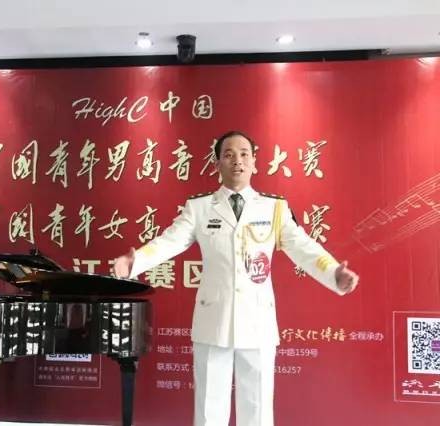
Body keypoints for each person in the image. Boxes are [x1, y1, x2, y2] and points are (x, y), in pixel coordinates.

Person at [113, 131, 359, 426]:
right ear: (217, 164)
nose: (237, 161)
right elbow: (169, 241)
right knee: (209, 410)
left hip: (258, 320)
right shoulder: (200, 207)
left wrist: (333, 272)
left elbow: (303, 248)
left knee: (257, 410)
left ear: (255, 162)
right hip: (213, 319)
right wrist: (135, 261)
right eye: (228, 155)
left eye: (244, 154)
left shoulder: (274, 208)